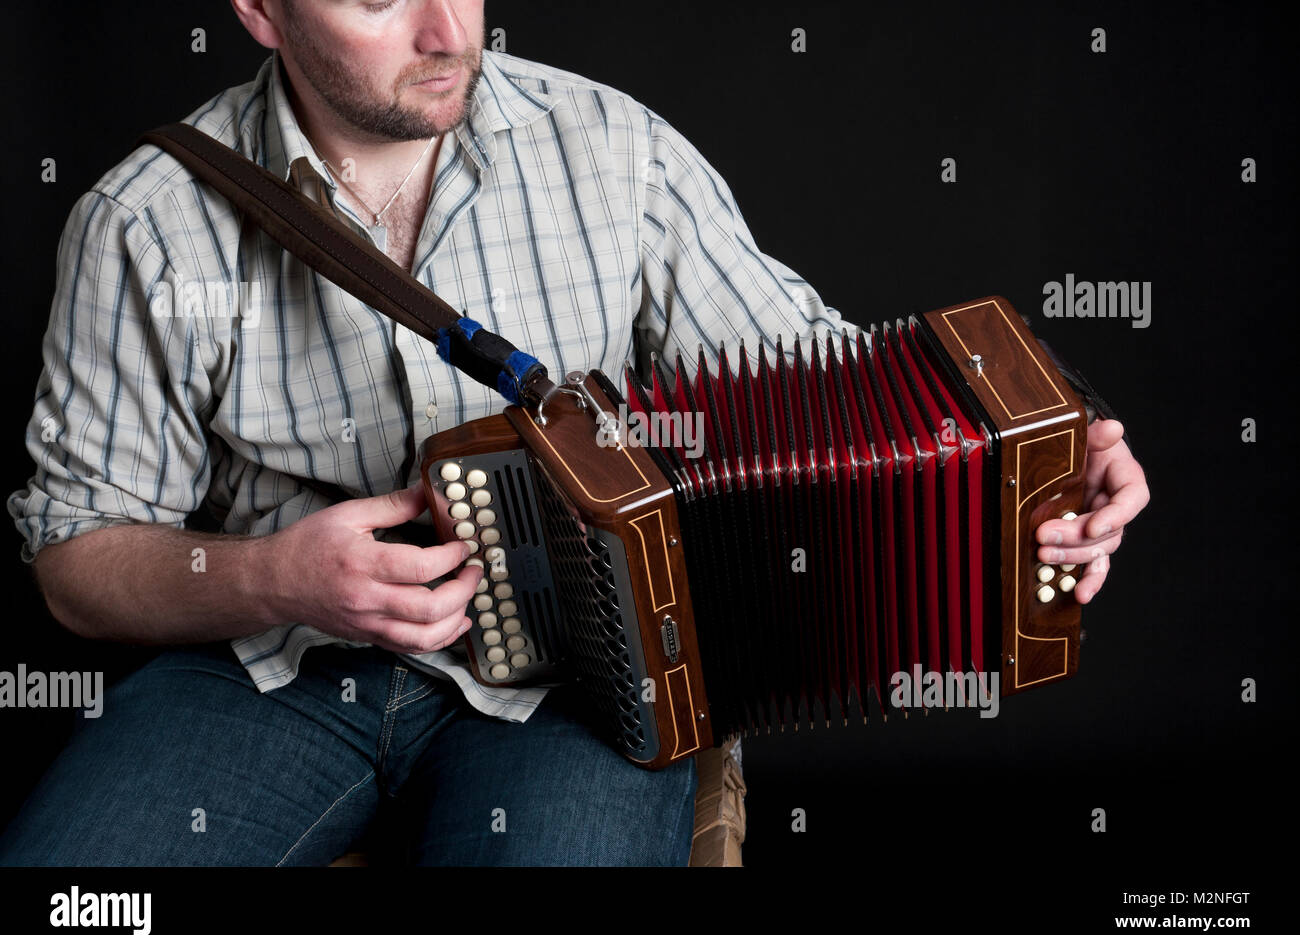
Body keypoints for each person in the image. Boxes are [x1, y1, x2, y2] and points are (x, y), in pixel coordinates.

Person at [0, 0, 1148, 866]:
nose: (448, 31)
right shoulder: (143, 222)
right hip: (269, 671)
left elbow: (833, 375)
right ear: (259, 11)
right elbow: (75, 560)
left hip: (590, 681)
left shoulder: (613, 149)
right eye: (376, 0)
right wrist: (276, 577)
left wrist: (1052, 438)